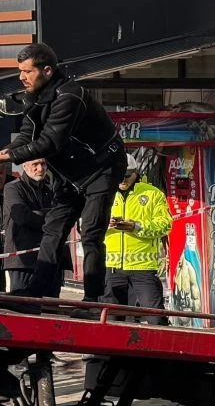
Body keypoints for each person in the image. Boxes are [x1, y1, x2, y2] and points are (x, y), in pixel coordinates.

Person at [0, 44, 126, 303]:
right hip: (71, 175)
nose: (22, 77)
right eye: (20, 72)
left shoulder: (70, 96)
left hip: (103, 167)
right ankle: (36, 293)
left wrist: (7, 156)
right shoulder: (34, 97)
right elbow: (27, 136)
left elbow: (49, 143)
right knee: (53, 229)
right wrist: (6, 151)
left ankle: (93, 299)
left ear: (47, 71)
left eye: (27, 71)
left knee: (91, 232)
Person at [104, 154, 173, 324]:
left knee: (155, 318)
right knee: (111, 320)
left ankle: (161, 349)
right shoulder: (104, 193)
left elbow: (165, 225)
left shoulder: (152, 194)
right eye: (119, 175)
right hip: (111, 268)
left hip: (143, 268)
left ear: (136, 172)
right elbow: (85, 226)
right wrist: (105, 225)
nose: (123, 180)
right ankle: (111, 352)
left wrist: (136, 227)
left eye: (127, 175)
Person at [3, 159, 70, 297]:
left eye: (43, 164)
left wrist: (40, 214)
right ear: (25, 166)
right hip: (24, 261)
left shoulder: (53, 189)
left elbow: (65, 215)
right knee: (23, 306)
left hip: (52, 259)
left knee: (50, 308)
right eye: (35, 164)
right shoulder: (13, 188)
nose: (40, 168)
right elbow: (22, 216)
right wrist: (51, 217)